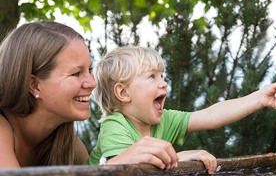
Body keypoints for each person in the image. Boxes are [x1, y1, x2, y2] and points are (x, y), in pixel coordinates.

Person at [0, 22, 176, 168]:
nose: (92, 83)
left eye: (90, 69)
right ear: (34, 85)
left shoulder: (66, 142)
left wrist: (176, 160)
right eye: (76, 73)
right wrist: (112, 167)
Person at [87, 46, 276, 174]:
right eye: (152, 77)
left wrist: (259, 98)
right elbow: (126, 171)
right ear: (123, 92)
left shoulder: (164, 119)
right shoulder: (115, 125)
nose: (164, 84)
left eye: (162, 76)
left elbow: (211, 115)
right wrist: (182, 156)